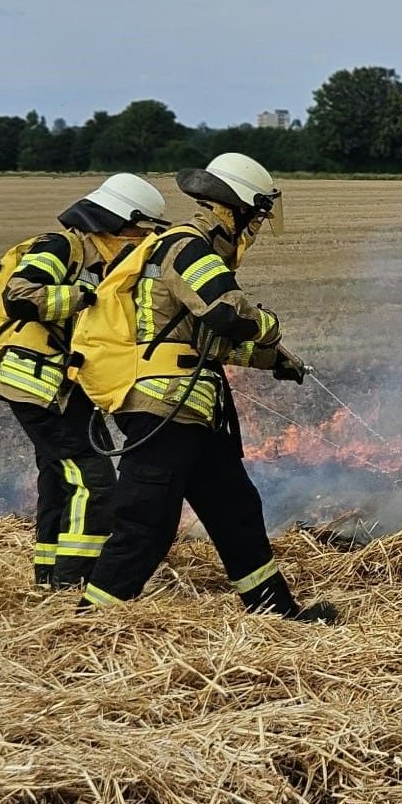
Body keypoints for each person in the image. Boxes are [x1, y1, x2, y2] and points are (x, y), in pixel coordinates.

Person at [69, 152, 336, 622]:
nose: (253, 232)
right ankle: (89, 625)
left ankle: (275, 612)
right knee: (146, 522)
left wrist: (275, 361)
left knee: (236, 510)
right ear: (236, 209)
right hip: (163, 408)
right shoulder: (189, 246)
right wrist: (271, 327)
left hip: (193, 412)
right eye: (255, 219)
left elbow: (204, 343)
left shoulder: (187, 250)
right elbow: (229, 315)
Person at [0, 173, 169, 586]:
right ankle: (73, 581)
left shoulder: (97, 257)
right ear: (117, 221)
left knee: (59, 479)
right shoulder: (60, 246)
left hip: (65, 387)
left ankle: (49, 574)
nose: (141, 240)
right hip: (37, 387)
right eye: (139, 230)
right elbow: (21, 294)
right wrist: (82, 298)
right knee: (93, 480)